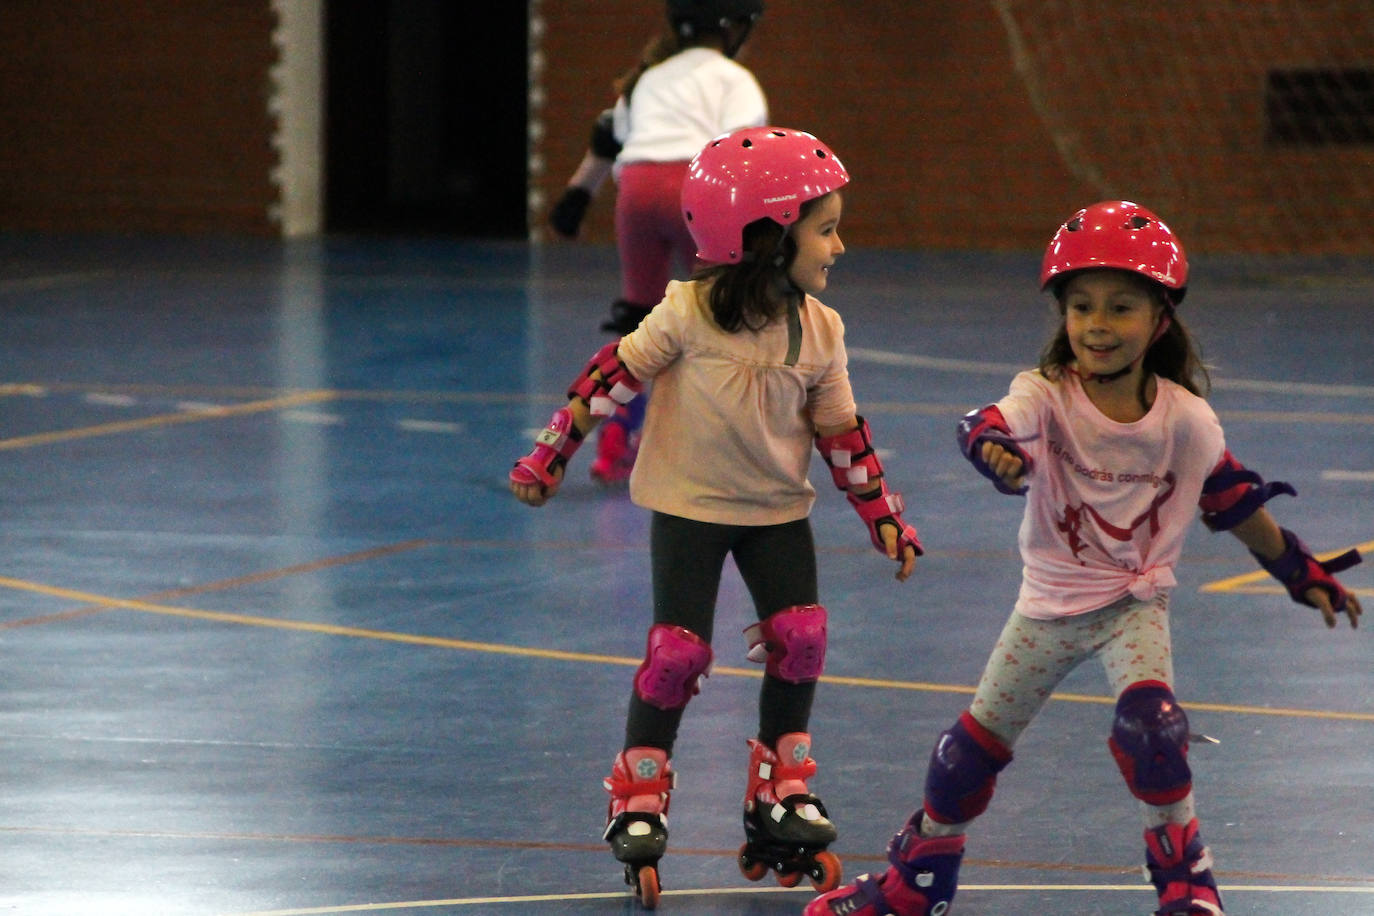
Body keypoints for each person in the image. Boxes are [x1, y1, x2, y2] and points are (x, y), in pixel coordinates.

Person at [805, 200, 1364, 916]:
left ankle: (1188, 886)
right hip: (1047, 610)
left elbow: (1231, 502)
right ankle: (915, 879)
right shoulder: (1047, 396)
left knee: (1154, 735)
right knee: (964, 759)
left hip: (1132, 608)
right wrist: (992, 451)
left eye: (1122, 308)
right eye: (1081, 307)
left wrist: (1300, 572)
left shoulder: (1186, 422)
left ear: (1160, 319)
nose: (1098, 325)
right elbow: (989, 421)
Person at [512, 126, 923, 907]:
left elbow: (842, 432)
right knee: (677, 653)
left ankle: (781, 791)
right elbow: (613, 374)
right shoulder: (685, 312)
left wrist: (884, 518)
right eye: (826, 228)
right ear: (766, 237)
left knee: (800, 639)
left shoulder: (820, 329)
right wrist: (552, 451)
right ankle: (638, 793)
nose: (839, 246)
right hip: (691, 508)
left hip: (775, 513)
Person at [547, 0, 769, 485]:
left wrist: (575, 199)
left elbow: (609, 139)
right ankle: (716, 447)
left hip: (637, 194)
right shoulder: (734, 80)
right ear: (732, 31)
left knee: (639, 323)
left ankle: (615, 438)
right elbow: (741, 150)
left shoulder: (647, 77)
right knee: (717, 320)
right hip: (696, 186)